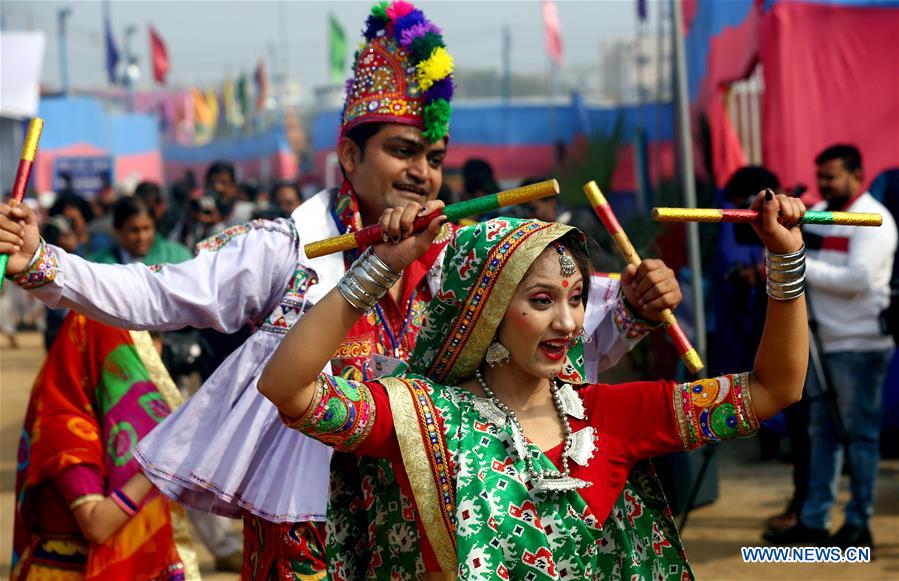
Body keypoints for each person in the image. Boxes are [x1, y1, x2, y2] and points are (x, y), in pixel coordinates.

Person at [0, 1, 679, 576]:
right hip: (309, 522)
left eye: (433, 158)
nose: (421, 173)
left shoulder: (463, 255)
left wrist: (632, 304)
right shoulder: (287, 248)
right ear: (349, 156)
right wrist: (41, 260)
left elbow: (560, 317)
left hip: (431, 511)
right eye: (402, 151)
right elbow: (156, 294)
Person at [259, 189, 809, 578]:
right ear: (488, 310)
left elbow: (773, 390)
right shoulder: (421, 420)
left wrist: (785, 258)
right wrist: (381, 266)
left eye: (575, 300)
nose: (569, 324)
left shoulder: (609, 416)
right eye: (542, 301)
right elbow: (288, 389)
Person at [765, 145, 897, 550]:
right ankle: (814, 521)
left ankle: (858, 524)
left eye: (832, 176)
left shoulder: (875, 219)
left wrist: (794, 259)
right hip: (819, 343)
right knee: (823, 433)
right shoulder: (818, 210)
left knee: (859, 435)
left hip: (859, 345)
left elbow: (857, 279)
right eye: (820, 175)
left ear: (857, 174)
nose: (823, 184)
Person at [11, 313, 199, 580]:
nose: (153, 363)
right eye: (140, 355)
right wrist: (157, 462)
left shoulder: (105, 420)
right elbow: (97, 524)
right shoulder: (66, 427)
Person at [89, 196, 192, 265]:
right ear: (117, 231)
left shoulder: (178, 257)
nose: (142, 237)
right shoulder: (99, 264)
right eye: (134, 230)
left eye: (147, 229)